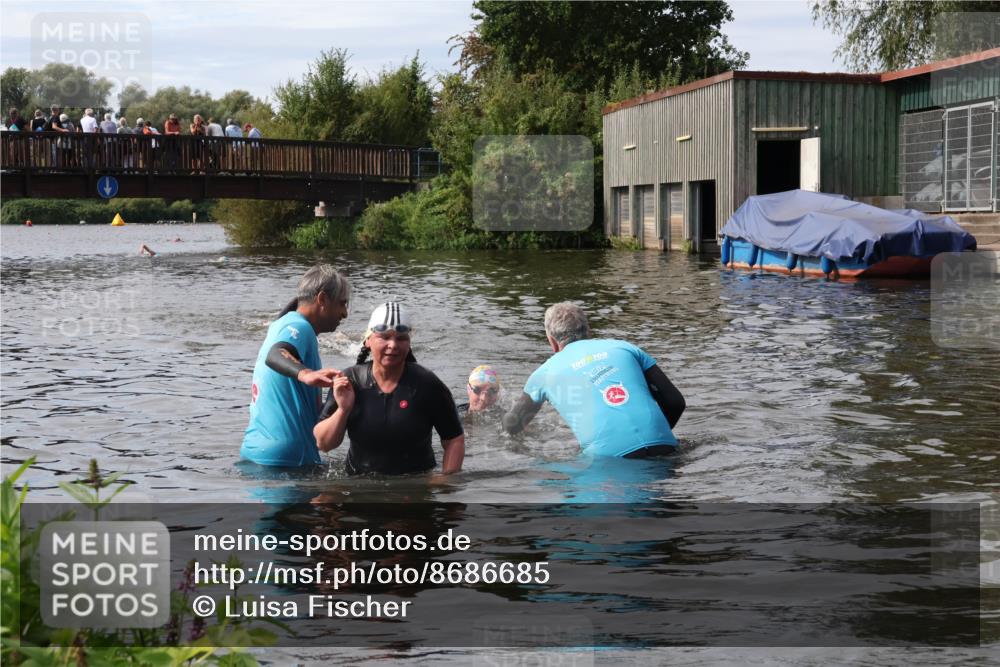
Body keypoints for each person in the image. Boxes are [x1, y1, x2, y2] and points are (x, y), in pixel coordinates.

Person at [502, 302, 685, 458]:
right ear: (588, 330)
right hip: (665, 446)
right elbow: (675, 402)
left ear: (552, 340)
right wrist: (657, 434)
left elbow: (512, 426)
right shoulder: (624, 347)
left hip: (608, 460)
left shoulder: (543, 373)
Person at [313, 303, 465, 476]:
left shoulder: (427, 385)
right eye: (384, 337)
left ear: (408, 343)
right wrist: (343, 409)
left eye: (401, 338)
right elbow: (324, 444)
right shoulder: (349, 382)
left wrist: (446, 480)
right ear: (368, 341)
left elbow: (454, 439)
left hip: (414, 486)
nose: (393, 345)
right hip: (359, 485)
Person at [241, 265, 351, 467]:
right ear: (323, 300)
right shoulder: (300, 328)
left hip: (256, 450)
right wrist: (306, 373)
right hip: (288, 459)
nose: (345, 313)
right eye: (342, 304)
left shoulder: (282, 324)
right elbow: (276, 355)